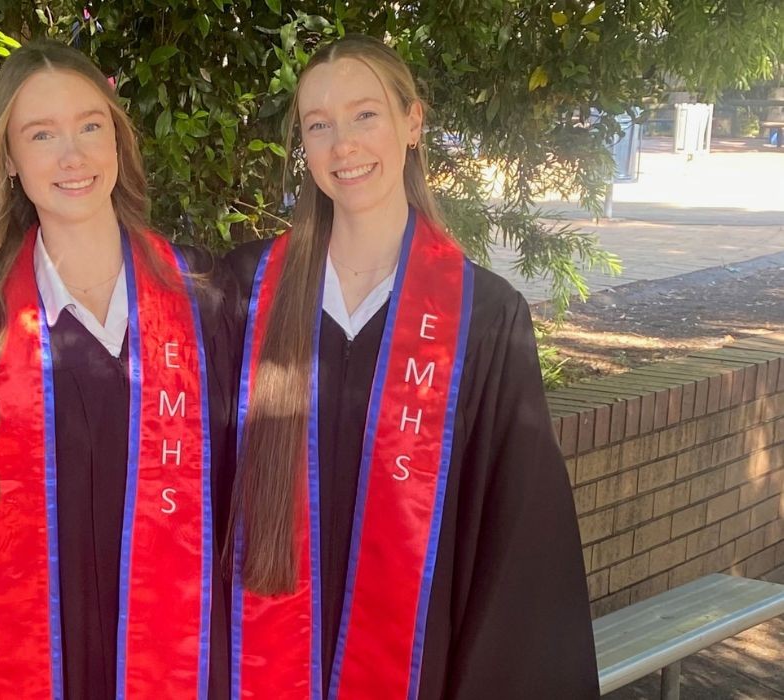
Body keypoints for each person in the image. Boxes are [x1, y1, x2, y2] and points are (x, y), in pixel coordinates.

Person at [224, 35, 598, 699]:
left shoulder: (482, 317)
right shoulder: (246, 295)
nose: (343, 144)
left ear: (412, 121)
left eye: (365, 114)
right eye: (319, 125)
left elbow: (515, 547)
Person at [0, 40, 237, 699]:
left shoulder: (203, 302)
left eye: (89, 126)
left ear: (117, 141)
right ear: (9, 159)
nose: (71, 155)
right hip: (31, 667)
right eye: (41, 134)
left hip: (186, 665)